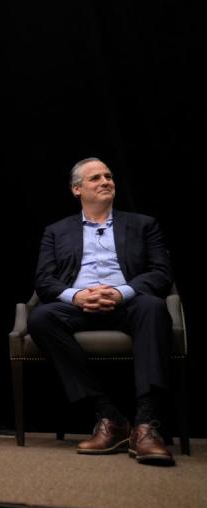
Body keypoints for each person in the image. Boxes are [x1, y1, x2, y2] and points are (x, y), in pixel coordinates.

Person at [28, 158, 175, 465]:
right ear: (77, 189)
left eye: (109, 176)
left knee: (154, 306)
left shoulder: (143, 224)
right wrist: (77, 296)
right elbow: (44, 280)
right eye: (96, 178)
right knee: (41, 317)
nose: (106, 181)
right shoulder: (56, 231)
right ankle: (109, 416)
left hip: (128, 302)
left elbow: (161, 273)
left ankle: (147, 425)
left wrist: (121, 292)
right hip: (79, 306)